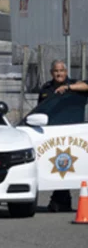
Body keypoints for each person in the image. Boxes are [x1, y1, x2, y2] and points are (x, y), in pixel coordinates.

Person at [37, 60, 88, 212]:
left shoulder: (75, 85)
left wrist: (68, 87)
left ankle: (60, 200)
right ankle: (60, 200)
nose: (59, 73)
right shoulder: (46, 89)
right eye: (56, 71)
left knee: (72, 167)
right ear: (51, 73)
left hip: (73, 133)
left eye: (61, 70)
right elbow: (40, 109)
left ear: (66, 71)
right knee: (59, 167)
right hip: (53, 133)